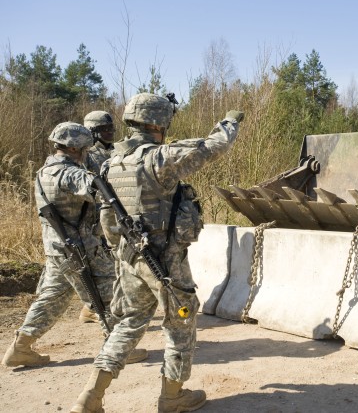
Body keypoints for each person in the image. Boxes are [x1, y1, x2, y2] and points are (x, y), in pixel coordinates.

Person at [70, 93, 243, 413]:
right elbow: (212, 147)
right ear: (157, 123)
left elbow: (108, 221)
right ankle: (172, 396)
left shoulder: (112, 164)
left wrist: (123, 253)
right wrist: (229, 123)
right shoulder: (160, 158)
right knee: (182, 319)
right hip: (165, 262)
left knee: (127, 324)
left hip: (131, 259)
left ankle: (89, 397)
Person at [1, 122, 146, 368]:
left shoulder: (44, 171)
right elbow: (98, 190)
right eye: (86, 149)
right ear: (76, 148)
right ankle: (118, 348)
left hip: (57, 249)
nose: (88, 153)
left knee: (52, 297)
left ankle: (21, 347)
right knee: (107, 292)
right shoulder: (70, 173)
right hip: (80, 248)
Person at [79, 110, 117, 324]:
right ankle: (96, 309)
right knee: (104, 268)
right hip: (94, 219)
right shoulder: (87, 156)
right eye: (104, 129)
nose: (110, 132)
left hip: (112, 215)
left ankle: (92, 308)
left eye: (111, 128)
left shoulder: (114, 151)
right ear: (92, 132)